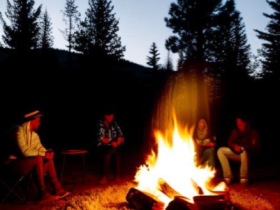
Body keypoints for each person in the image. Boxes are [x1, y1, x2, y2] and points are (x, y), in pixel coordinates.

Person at [2, 110, 70, 202]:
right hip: (8, 165)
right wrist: (43, 154)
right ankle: (41, 193)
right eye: (38, 121)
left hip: (22, 163)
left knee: (47, 159)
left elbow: (40, 149)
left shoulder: (34, 135)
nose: (40, 123)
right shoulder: (17, 129)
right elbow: (25, 152)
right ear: (30, 121)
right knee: (38, 157)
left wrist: (48, 153)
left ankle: (57, 188)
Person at [217, 114, 261, 186]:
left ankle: (244, 178)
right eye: (237, 123)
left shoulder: (253, 133)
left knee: (244, 151)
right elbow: (230, 142)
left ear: (245, 123)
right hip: (238, 154)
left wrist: (243, 148)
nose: (238, 125)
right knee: (220, 150)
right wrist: (235, 147)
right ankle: (228, 176)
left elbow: (255, 148)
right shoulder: (235, 131)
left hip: (248, 156)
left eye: (240, 123)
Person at [96, 108, 125, 185]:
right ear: (105, 116)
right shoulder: (100, 124)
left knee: (118, 149)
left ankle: (117, 175)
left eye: (112, 116)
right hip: (102, 145)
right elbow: (102, 138)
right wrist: (112, 142)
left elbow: (120, 134)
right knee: (109, 151)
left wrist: (119, 139)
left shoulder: (114, 123)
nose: (111, 118)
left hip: (113, 145)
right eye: (110, 116)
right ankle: (104, 176)